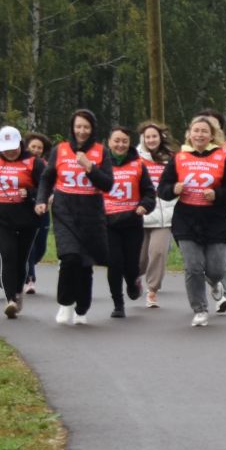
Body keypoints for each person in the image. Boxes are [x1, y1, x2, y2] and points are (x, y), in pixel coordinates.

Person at [157, 114, 226, 327]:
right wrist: (172, 189)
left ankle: (214, 283)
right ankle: (200, 309)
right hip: (187, 219)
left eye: (204, 131)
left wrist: (217, 195)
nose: (200, 134)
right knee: (193, 266)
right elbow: (162, 189)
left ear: (211, 135)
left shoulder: (223, 158)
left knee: (216, 269)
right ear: (189, 134)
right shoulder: (179, 158)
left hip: (216, 221)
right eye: (196, 131)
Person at [41, 109, 113, 325]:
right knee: (70, 258)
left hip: (91, 213)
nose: (82, 131)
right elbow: (47, 178)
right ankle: (65, 303)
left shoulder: (101, 152)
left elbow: (107, 184)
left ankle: (82, 308)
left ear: (92, 129)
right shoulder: (60, 150)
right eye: (78, 126)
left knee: (84, 263)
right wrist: (41, 200)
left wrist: (90, 167)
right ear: (72, 127)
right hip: (65, 210)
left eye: (86, 127)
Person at [0, 126, 47, 318]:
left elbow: (45, 186)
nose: (10, 152)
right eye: (6, 148)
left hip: (27, 218)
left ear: (20, 145)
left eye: (14, 148)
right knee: (8, 255)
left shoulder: (33, 162)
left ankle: (17, 292)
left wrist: (31, 194)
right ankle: (11, 301)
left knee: (21, 258)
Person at [101, 126, 149, 319]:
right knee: (114, 263)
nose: (120, 145)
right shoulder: (100, 165)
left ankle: (132, 281)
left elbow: (149, 192)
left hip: (131, 222)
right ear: (109, 142)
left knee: (130, 265)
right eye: (116, 141)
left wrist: (145, 205)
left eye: (124, 141)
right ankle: (118, 304)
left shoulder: (138, 164)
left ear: (129, 144)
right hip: (108, 223)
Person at [137, 121, 175, 309]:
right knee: (140, 260)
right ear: (142, 138)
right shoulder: (134, 158)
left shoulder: (171, 158)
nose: (151, 140)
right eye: (148, 136)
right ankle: (135, 277)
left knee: (158, 252)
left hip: (164, 215)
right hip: (140, 215)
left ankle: (152, 290)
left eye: (154, 136)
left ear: (161, 138)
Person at [200, 109, 226, 313]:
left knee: (222, 249)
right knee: (199, 251)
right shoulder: (188, 152)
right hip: (196, 207)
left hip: (223, 205)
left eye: (214, 126)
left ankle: (223, 294)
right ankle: (211, 285)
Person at [23, 133, 51, 294]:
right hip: (26, 211)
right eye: (33, 147)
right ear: (27, 147)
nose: (36, 150)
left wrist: (51, 195)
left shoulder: (47, 166)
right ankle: (30, 279)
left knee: (40, 248)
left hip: (43, 211)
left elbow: (52, 185)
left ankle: (30, 264)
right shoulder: (22, 165)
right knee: (30, 246)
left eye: (39, 147)